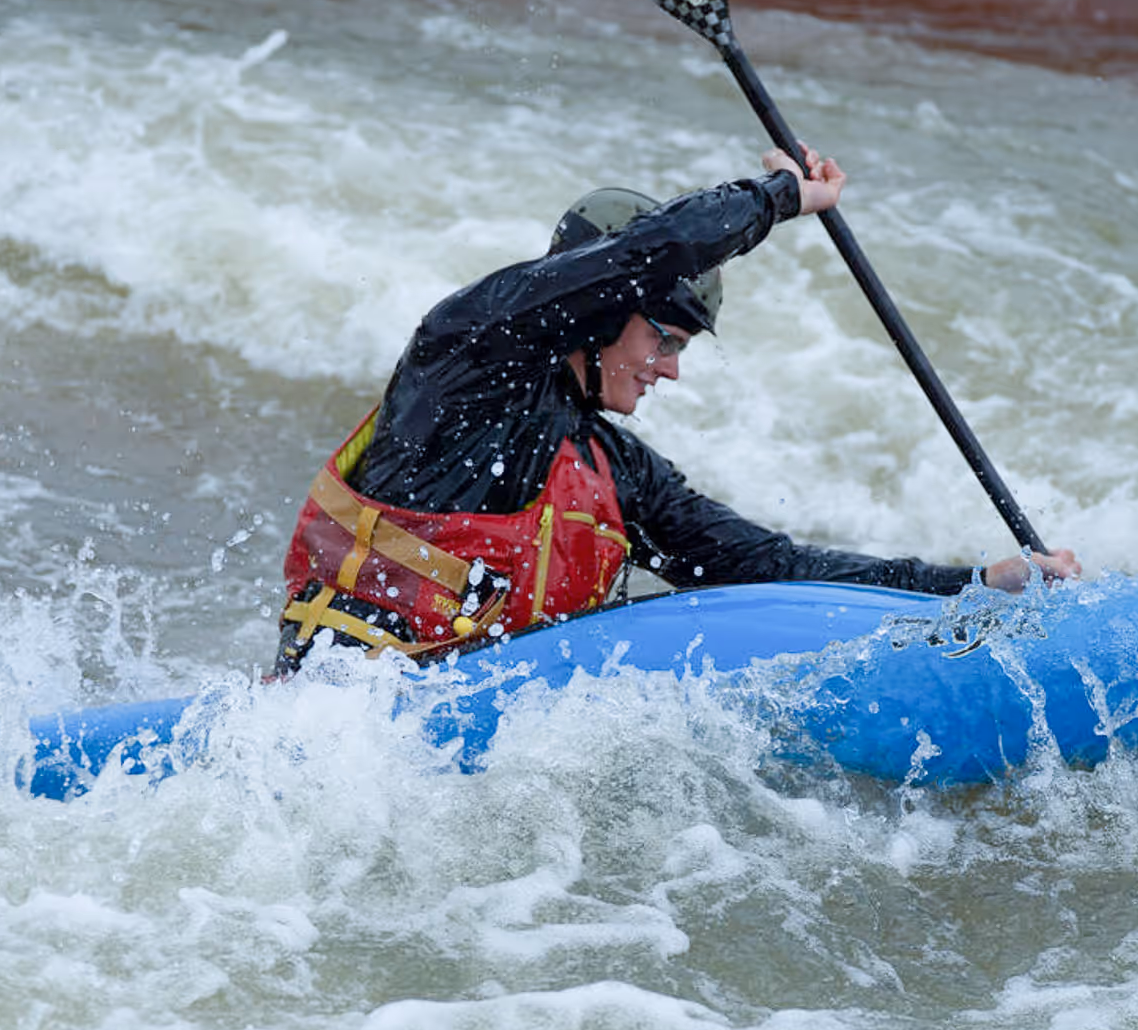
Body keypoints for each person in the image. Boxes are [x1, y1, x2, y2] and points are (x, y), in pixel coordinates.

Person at [275, 144, 1079, 671]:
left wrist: (973, 584)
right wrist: (778, 199)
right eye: (665, 340)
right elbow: (641, 254)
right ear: (597, 312)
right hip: (345, 709)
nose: (669, 370)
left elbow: (773, 569)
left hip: (470, 726)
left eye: (683, 350)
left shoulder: (614, 471)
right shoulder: (465, 360)